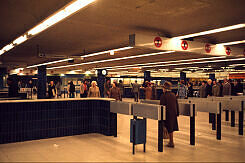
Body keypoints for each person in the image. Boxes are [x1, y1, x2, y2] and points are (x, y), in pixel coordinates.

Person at [160, 81, 179, 148]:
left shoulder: (163, 96)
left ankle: (171, 142)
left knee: (168, 127)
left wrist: (161, 115)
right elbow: (176, 104)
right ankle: (171, 141)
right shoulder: (173, 95)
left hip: (167, 114)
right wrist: (177, 113)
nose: (162, 89)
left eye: (163, 88)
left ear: (165, 88)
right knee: (171, 128)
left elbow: (161, 106)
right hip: (173, 113)